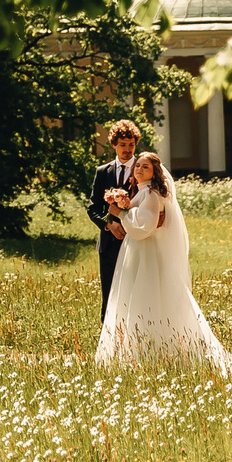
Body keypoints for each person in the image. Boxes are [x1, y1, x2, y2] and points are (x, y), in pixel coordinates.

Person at [95, 151, 232, 374]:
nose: (139, 170)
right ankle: (138, 352)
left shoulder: (153, 195)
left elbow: (143, 228)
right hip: (138, 252)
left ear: (155, 172)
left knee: (147, 298)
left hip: (147, 254)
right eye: (138, 166)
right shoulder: (142, 192)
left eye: (145, 167)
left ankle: (155, 351)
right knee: (138, 297)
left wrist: (120, 213)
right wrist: (124, 208)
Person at [84, 120, 141, 320]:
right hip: (108, 245)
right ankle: (107, 340)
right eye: (123, 144)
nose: (127, 149)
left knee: (135, 293)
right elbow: (92, 208)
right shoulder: (102, 172)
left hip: (135, 242)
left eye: (131, 145)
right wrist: (108, 225)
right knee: (109, 294)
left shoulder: (142, 170)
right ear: (114, 144)